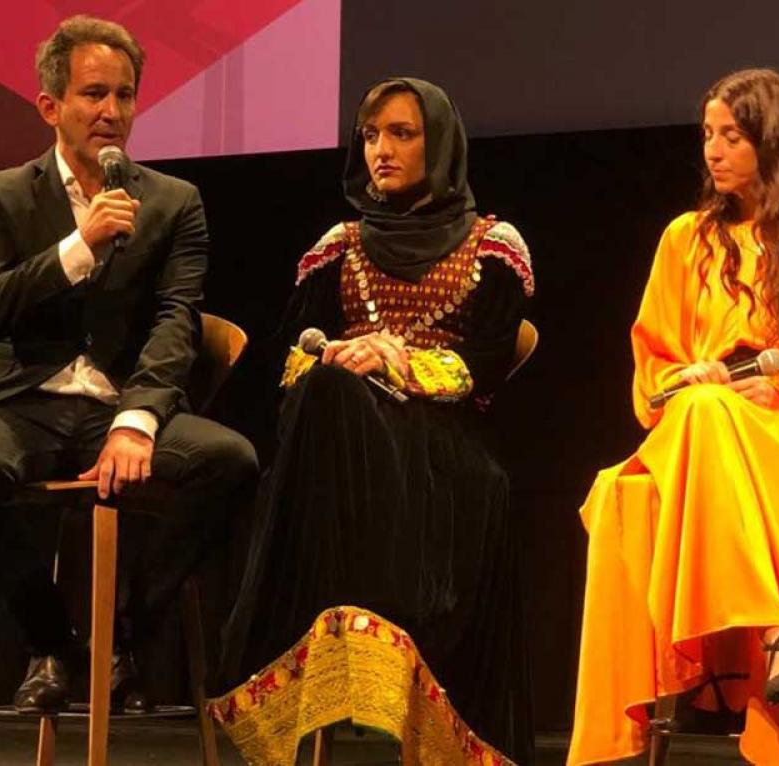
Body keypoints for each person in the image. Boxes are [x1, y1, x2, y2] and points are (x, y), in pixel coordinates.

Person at [0, 15, 258, 715]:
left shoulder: (174, 203)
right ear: (51, 106)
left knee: (230, 461)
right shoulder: (1, 194)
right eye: (92, 94)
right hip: (21, 402)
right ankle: (54, 640)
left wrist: (138, 421)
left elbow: (178, 320)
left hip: (118, 404)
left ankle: (124, 639)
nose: (110, 112)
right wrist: (76, 248)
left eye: (124, 95)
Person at [567, 68, 779, 765]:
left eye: (731, 136)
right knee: (696, 414)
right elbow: (650, 376)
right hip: (699, 435)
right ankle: (778, 630)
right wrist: (689, 375)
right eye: (707, 135)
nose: (713, 151)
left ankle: (771, 633)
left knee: (706, 417)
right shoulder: (685, 239)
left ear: (771, 144)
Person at [215, 78, 534, 764]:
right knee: (327, 393)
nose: (380, 151)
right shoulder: (340, 243)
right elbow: (289, 363)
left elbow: (482, 365)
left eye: (400, 134)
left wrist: (394, 360)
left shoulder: (492, 243)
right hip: (342, 444)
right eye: (369, 136)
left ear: (440, 144)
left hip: (445, 450)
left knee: (333, 404)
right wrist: (334, 354)